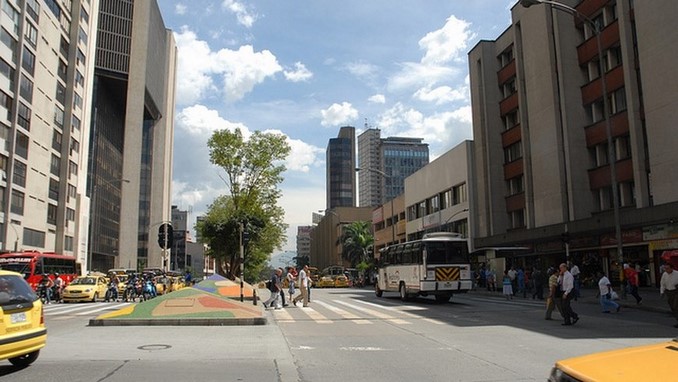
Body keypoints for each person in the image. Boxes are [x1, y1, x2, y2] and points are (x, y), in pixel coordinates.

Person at [659, 263, 678, 328]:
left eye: (667, 268)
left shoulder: (677, 273)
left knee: (676, 306)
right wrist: (662, 292)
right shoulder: (664, 274)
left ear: (672, 268)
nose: (666, 270)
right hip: (668, 292)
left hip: (676, 292)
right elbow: (662, 283)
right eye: (665, 268)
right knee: (672, 307)